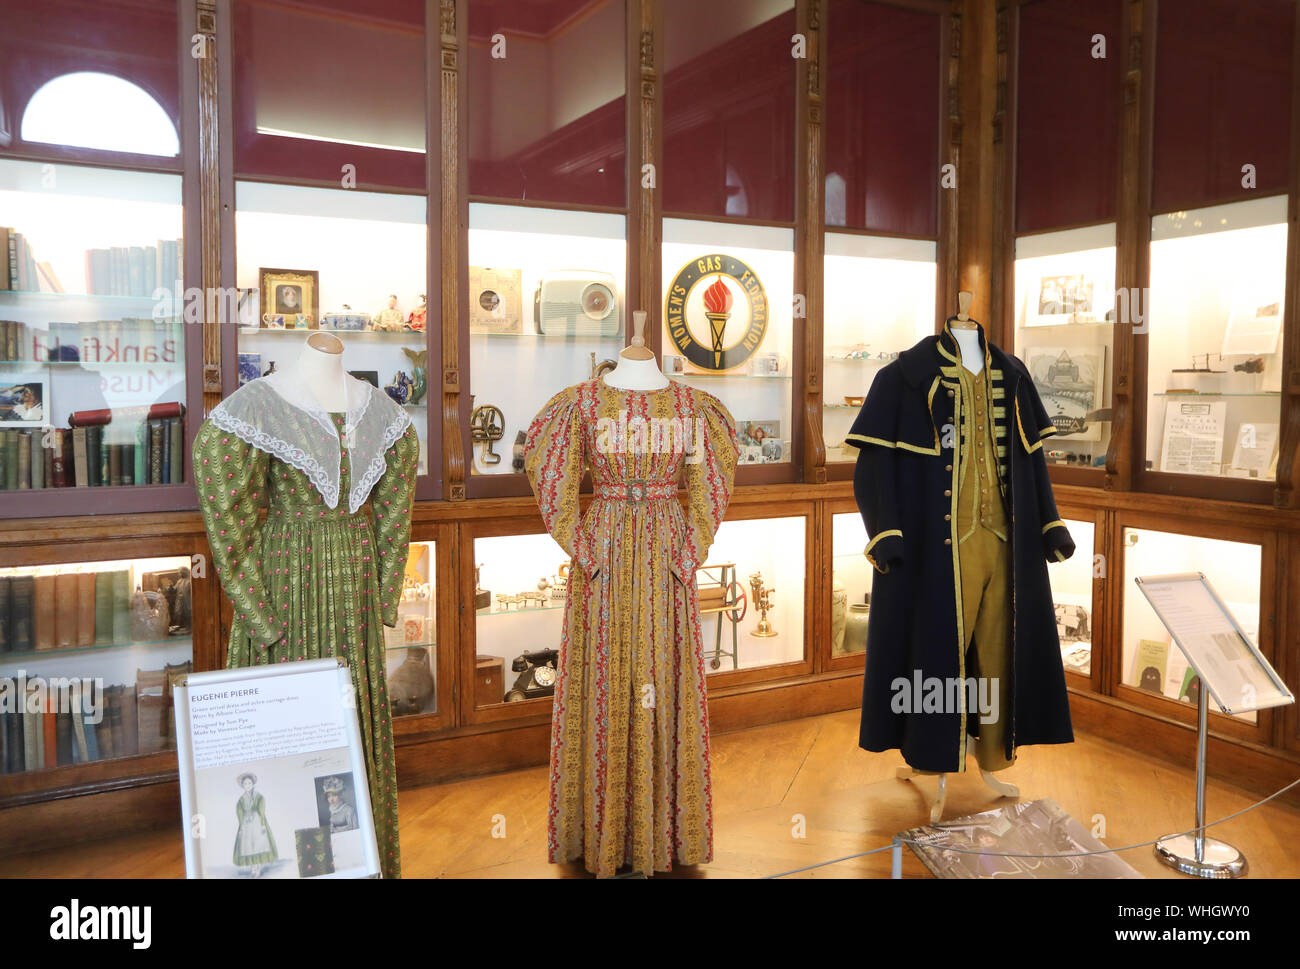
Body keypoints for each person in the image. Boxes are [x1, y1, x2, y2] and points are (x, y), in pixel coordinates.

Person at [233, 772, 278, 876]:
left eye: (249, 783)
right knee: (248, 846)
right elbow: (239, 812)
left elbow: (261, 810)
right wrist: (241, 825)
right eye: (245, 784)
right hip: (246, 825)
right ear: (242, 786)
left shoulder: (259, 797)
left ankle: (257, 866)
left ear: (253, 784)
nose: (247, 786)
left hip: (257, 823)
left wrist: (262, 824)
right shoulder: (241, 800)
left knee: (258, 844)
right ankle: (253, 867)